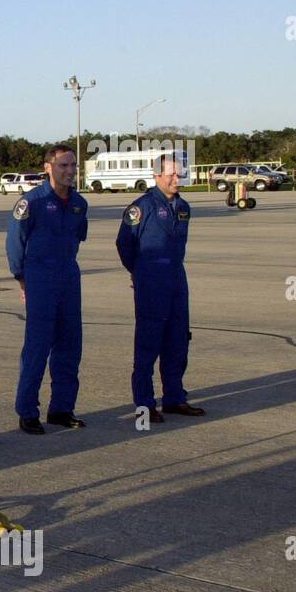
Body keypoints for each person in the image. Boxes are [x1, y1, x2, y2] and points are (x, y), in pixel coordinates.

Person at [6, 143, 89, 434]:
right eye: (63, 165)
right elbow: (15, 244)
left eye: (72, 166)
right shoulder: (32, 202)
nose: (69, 171)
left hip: (68, 274)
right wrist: (21, 277)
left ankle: (62, 408)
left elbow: (79, 236)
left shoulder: (80, 204)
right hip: (40, 276)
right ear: (47, 168)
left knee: (69, 344)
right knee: (38, 346)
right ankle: (27, 411)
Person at [115, 153, 205, 422]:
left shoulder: (184, 207)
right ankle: (144, 404)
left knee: (178, 342)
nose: (176, 179)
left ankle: (174, 398)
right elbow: (124, 245)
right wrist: (141, 272)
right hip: (151, 283)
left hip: (177, 280)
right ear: (156, 176)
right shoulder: (140, 208)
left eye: (180, 174)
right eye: (171, 174)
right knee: (147, 345)